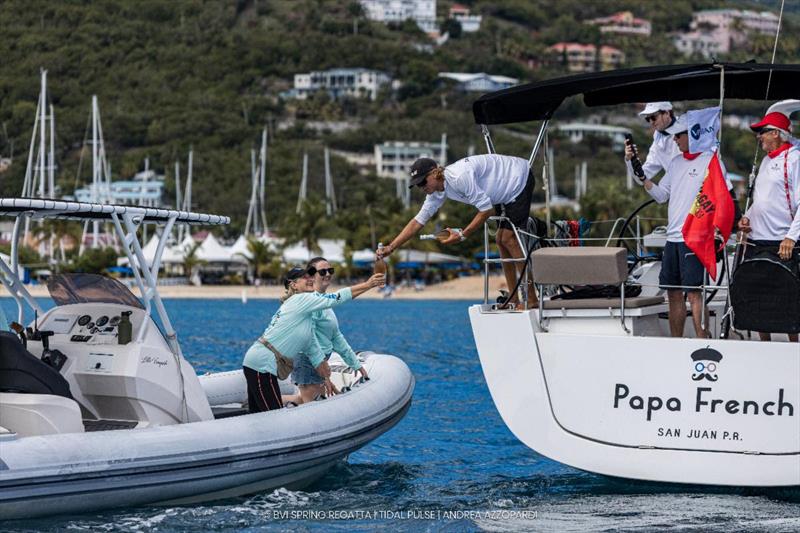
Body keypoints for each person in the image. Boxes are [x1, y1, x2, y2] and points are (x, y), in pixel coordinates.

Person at [376, 154, 537, 306]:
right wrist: (391, 247)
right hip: (502, 190)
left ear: (435, 173)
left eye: (423, 182)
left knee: (509, 239)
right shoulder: (436, 193)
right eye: (417, 185)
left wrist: (462, 235)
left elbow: (486, 210)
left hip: (518, 179)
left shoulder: (458, 177)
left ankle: (532, 300)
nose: (421, 187)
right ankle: (514, 299)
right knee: (500, 240)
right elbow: (418, 221)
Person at [639, 114, 734, 338]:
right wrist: (643, 179)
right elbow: (662, 195)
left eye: (678, 135)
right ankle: (676, 342)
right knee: (672, 293)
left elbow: (725, 194)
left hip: (695, 237)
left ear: (691, 135)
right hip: (672, 239)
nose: (675, 140)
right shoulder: (675, 163)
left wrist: (719, 228)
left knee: (695, 294)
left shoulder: (711, 160)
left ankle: (702, 339)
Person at [242, 266, 384, 412]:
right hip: (262, 364)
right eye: (304, 277)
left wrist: (326, 379)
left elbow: (314, 351)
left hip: (257, 362)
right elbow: (336, 298)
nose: (310, 279)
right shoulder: (300, 299)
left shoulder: (304, 319)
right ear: (294, 285)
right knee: (274, 416)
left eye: (311, 276)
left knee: (258, 416)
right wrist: (368, 285)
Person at [737, 111, 800, 342]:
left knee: (786, 299)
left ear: (777, 133)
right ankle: (764, 347)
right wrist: (746, 218)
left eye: (763, 132)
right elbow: (761, 200)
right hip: (757, 239)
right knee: (757, 297)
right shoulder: (765, 161)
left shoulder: (794, 159)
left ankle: (794, 350)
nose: (759, 137)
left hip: (782, 241)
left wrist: (791, 238)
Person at [283, 257, 369, 405]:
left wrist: (356, 364)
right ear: (311, 275)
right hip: (309, 362)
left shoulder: (324, 302)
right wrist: (325, 377)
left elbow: (336, 337)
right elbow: (309, 340)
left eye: (330, 270)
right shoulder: (310, 303)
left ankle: (266, 403)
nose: (328, 274)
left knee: (303, 401)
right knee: (312, 408)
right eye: (322, 271)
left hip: (318, 363)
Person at [624, 101, 681, 185]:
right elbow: (641, 178)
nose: (651, 122)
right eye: (648, 119)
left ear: (667, 113)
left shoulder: (688, 127)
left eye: (654, 117)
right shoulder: (658, 142)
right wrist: (630, 159)